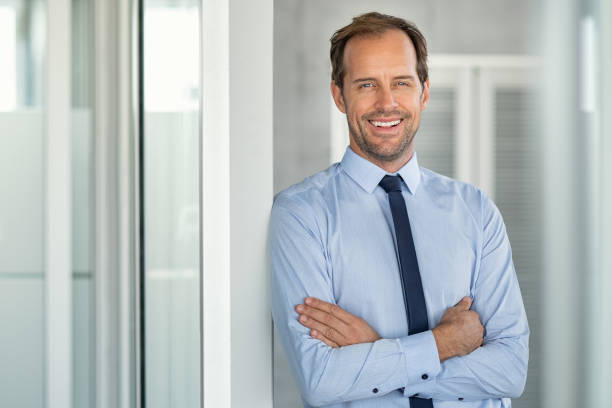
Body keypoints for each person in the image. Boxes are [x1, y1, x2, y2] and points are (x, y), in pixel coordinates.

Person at [269, 11, 529, 408]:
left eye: (401, 83)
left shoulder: (475, 212)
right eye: (366, 84)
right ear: (339, 95)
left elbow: (510, 370)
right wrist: (444, 343)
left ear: (424, 92)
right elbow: (322, 380)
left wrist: (377, 352)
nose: (386, 103)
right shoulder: (302, 216)